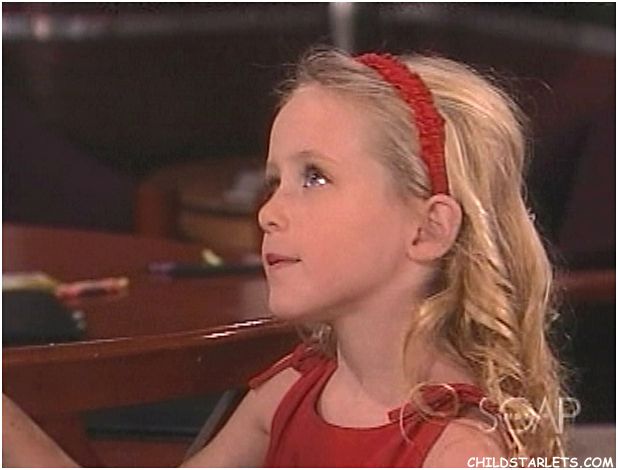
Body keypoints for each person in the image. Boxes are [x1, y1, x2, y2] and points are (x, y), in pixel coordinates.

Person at [3, 47, 566, 467]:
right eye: (275, 182)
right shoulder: (291, 392)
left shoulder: (462, 450)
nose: (269, 213)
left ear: (428, 229)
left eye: (314, 177)